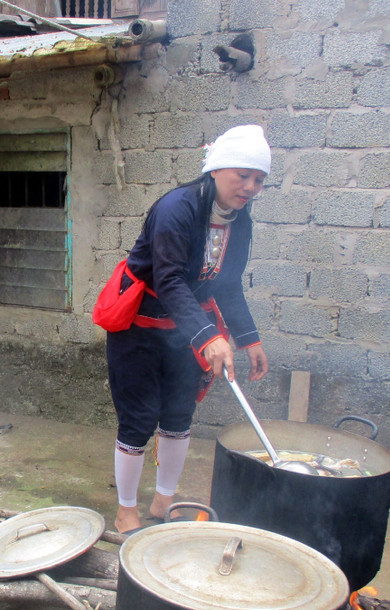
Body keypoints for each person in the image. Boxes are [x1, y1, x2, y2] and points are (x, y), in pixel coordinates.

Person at [104, 124, 271, 534]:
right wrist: (210, 337)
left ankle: (164, 500)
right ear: (215, 169)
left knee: (179, 415)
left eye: (259, 180)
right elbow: (170, 279)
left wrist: (249, 339)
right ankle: (126, 508)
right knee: (139, 419)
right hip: (138, 328)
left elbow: (227, 283)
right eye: (242, 175)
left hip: (186, 331)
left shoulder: (240, 221)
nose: (250, 187)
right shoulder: (176, 208)